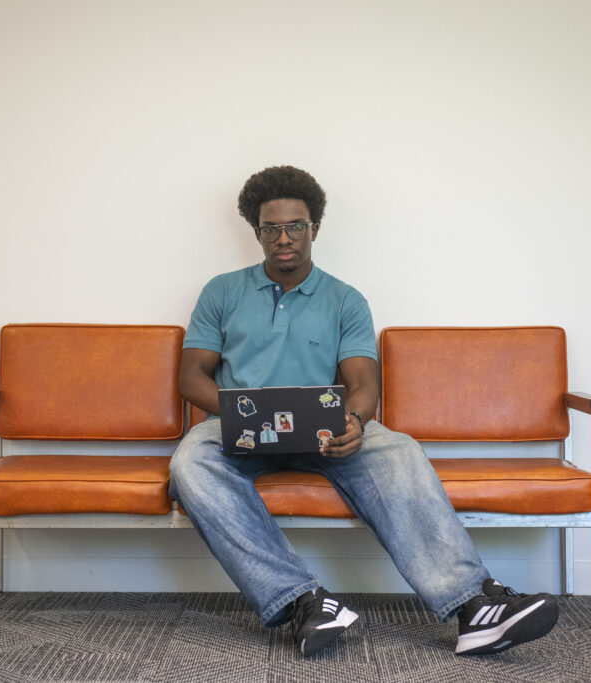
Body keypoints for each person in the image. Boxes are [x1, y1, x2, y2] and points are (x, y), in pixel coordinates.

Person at [169, 165, 558, 657]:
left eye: (295, 226)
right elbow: (192, 377)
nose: (284, 238)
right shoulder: (221, 292)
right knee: (190, 461)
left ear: (314, 228)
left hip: (322, 432)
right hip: (241, 430)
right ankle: (303, 601)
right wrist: (241, 414)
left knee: (398, 449)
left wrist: (353, 421)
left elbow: (363, 385)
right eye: (272, 228)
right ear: (257, 231)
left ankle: (473, 606)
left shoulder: (345, 300)